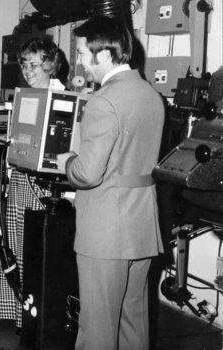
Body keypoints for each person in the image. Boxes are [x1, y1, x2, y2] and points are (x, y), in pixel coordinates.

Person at [56, 16, 164, 350]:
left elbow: (88, 173)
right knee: (132, 321)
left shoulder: (103, 101)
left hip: (105, 232)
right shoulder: (151, 95)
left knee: (98, 327)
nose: (80, 62)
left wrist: (66, 162)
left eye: (81, 53)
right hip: (141, 226)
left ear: (102, 55)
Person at [0, 36, 69, 328]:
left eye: (34, 64)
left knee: (39, 249)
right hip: (20, 178)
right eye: (24, 64)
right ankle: (19, 314)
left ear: (50, 64)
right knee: (15, 246)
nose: (27, 70)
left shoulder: (62, 97)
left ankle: (39, 318)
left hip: (45, 184)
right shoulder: (24, 96)